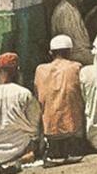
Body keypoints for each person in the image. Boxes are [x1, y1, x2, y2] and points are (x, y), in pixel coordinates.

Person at [34, 36, 84, 165]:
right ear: (69, 52)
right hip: (74, 128)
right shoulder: (76, 67)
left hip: (49, 129)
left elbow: (37, 95)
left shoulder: (40, 70)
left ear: (51, 53)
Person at [0, 53, 41, 171]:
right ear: (17, 71)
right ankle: (22, 160)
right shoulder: (23, 93)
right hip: (18, 149)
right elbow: (35, 126)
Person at [50, 0, 93, 65]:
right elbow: (73, 39)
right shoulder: (65, 11)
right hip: (71, 52)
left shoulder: (72, 8)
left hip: (79, 49)